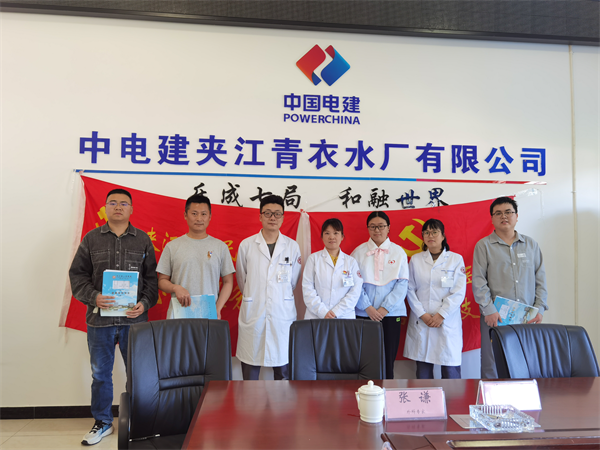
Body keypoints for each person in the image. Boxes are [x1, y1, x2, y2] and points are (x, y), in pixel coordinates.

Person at [69, 188, 158, 445]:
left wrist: (144, 303)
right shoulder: (91, 239)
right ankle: (103, 422)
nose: (118, 207)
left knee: (138, 374)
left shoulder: (142, 240)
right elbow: (77, 275)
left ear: (131, 209)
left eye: (124, 203)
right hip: (100, 321)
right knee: (100, 375)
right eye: (113, 203)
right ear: (106, 207)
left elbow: (151, 280)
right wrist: (94, 296)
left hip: (134, 321)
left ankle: (138, 421)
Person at [472, 196, 548, 379]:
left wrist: (539, 308)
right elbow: (479, 281)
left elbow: (541, 279)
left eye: (508, 212)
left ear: (516, 216)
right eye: (498, 213)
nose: (504, 216)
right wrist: (489, 310)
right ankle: (491, 397)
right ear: (492, 218)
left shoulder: (531, 245)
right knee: (492, 362)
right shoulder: (483, 246)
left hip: (527, 317)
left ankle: (524, 397)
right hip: (495, 316)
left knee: (526, 360)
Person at [235, 195, 302, 380]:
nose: (273, 217)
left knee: (283, 369)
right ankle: (250, 400)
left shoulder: (292, 246)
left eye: (277, 214)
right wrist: (254, 295)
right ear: (260, 216)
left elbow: (293, 281)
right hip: (254, 311)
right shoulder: (247, 245)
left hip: (282, 314)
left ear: (283, 217)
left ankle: (282, 400)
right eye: (268, 213)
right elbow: (242, 279)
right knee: (250, 368)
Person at [403, 219, 467, 379]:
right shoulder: (416, 260)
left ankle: (453, 398)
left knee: (450, 371)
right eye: (426, 232)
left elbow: (458, 292)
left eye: (434, 232)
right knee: (423, 372)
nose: (430, 236)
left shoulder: (455, 259)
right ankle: (425, 397)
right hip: (422, 321)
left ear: (443, 236)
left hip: (446, 321)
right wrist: (422, 314)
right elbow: (409, 289)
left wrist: (441, 315)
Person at [157, 194, 235, 320]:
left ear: (210, 216)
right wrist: (175, 287)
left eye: (203, 214)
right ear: (185, 215)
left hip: (209, 315)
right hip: (178, 315)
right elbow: (161, 281)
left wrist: (217, 308)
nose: (199, 218)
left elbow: (228, 282)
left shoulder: (220, 247)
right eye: (194, 213)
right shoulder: (172, 246)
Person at [352, 211, 409, 379]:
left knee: (388, 357)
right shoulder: (358, 252)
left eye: (381, 226)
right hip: (364, 314)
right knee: (364, 358)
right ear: (368, 228)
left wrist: (385, 308)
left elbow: (402, 284)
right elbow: (354, 284)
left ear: (388, 228)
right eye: (373, 227)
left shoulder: (398, 252)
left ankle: (386, 391)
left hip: (391, 314)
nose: (377, 230)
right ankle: (364, 392)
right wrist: (367, 307)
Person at [302, 218, 363, 319]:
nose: (331, 237)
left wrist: (336, 312)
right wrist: (323, 312)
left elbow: (355, 290)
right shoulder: (313, 259)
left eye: (336, 233)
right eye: (327, 233)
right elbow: (308, 288)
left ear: (342, 236)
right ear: (322, 237)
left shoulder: (351, 262)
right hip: (316, 316)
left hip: (344, 316)